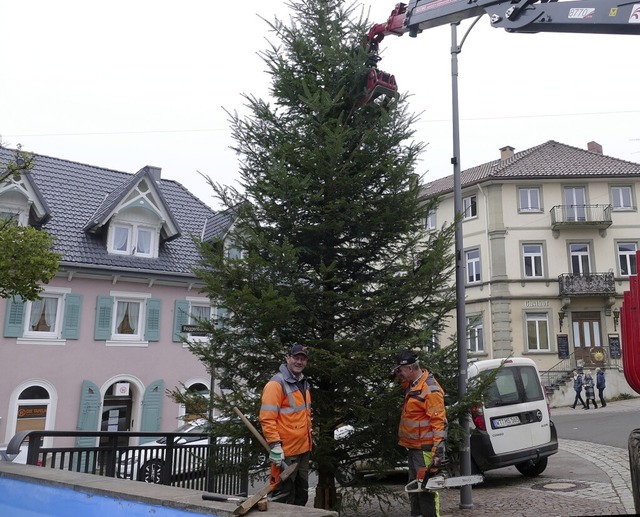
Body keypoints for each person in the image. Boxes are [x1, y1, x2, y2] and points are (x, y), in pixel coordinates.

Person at [393, 350, 447, 517]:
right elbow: (403, 382)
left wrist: (437, 453)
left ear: (410, 369)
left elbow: (439, 424)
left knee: (426, 490)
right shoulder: (414, 384)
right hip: (414, 448)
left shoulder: (430, 390)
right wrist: (397, 375)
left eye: (401, 371)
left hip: (425, 450)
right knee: (414, 488)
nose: (400, 374)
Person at [259, 344, 312, 506]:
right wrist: (275, 445)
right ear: (288, 358)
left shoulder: (303, 383)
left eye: (303, 359)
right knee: (282, 497)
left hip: (303, 450)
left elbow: (304, 415)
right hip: (286, 452)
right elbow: (267, 417)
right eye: (296, 358)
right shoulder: (276, 384)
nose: (299, 362)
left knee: (301, 496)